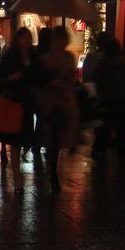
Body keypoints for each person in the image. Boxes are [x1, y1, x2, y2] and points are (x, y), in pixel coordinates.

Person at [0, 27, 40, 193]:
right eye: (23, 38)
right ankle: (18, 181)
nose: (26, 41)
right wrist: (11, 78)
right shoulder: (10, 58)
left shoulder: (34, 56)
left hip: (28, 104)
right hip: (13, 103)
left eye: (28, 38)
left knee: (26, 139)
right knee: (15, 142)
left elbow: (39, 76)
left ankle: (19, 174)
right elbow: (1, 79)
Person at [38, 26, 79, 190]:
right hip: (52, 101)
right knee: (53, 137)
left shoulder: (69, 57)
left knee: (61, 134)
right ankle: (52, 171)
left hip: (65, 100)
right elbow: (42, 79)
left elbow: (72, 76)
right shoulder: (47, 58)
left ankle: (53, 167)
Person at [93, 36, 125, 168]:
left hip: (106, 101)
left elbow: (97, 80)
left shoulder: (102, 64)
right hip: (124, 101)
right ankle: (124, 158)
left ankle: (100, 152)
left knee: (103, 130)